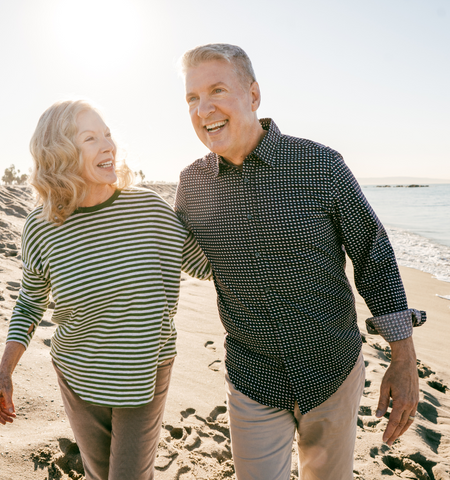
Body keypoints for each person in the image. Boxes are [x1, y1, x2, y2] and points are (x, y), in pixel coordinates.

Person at [175, 43, 426, 480]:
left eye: (217, 90)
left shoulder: (320, 164)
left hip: (333, 369)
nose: (203, 108)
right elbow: (198, 263)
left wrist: (403, 358)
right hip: (252, 378)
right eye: (192, 98)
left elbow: (374, 255)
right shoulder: (191, 185)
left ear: (253, 96)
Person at [0, 99, 212, 480]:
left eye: (107, 134)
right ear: (59, 153)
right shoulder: (41, 228)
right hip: (78, 375)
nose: (108, 146)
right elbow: (29, 303)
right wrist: (4, 372)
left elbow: (206, 266)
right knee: (98, 473)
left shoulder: (149, 210)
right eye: (90, 138)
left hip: (144, 372)